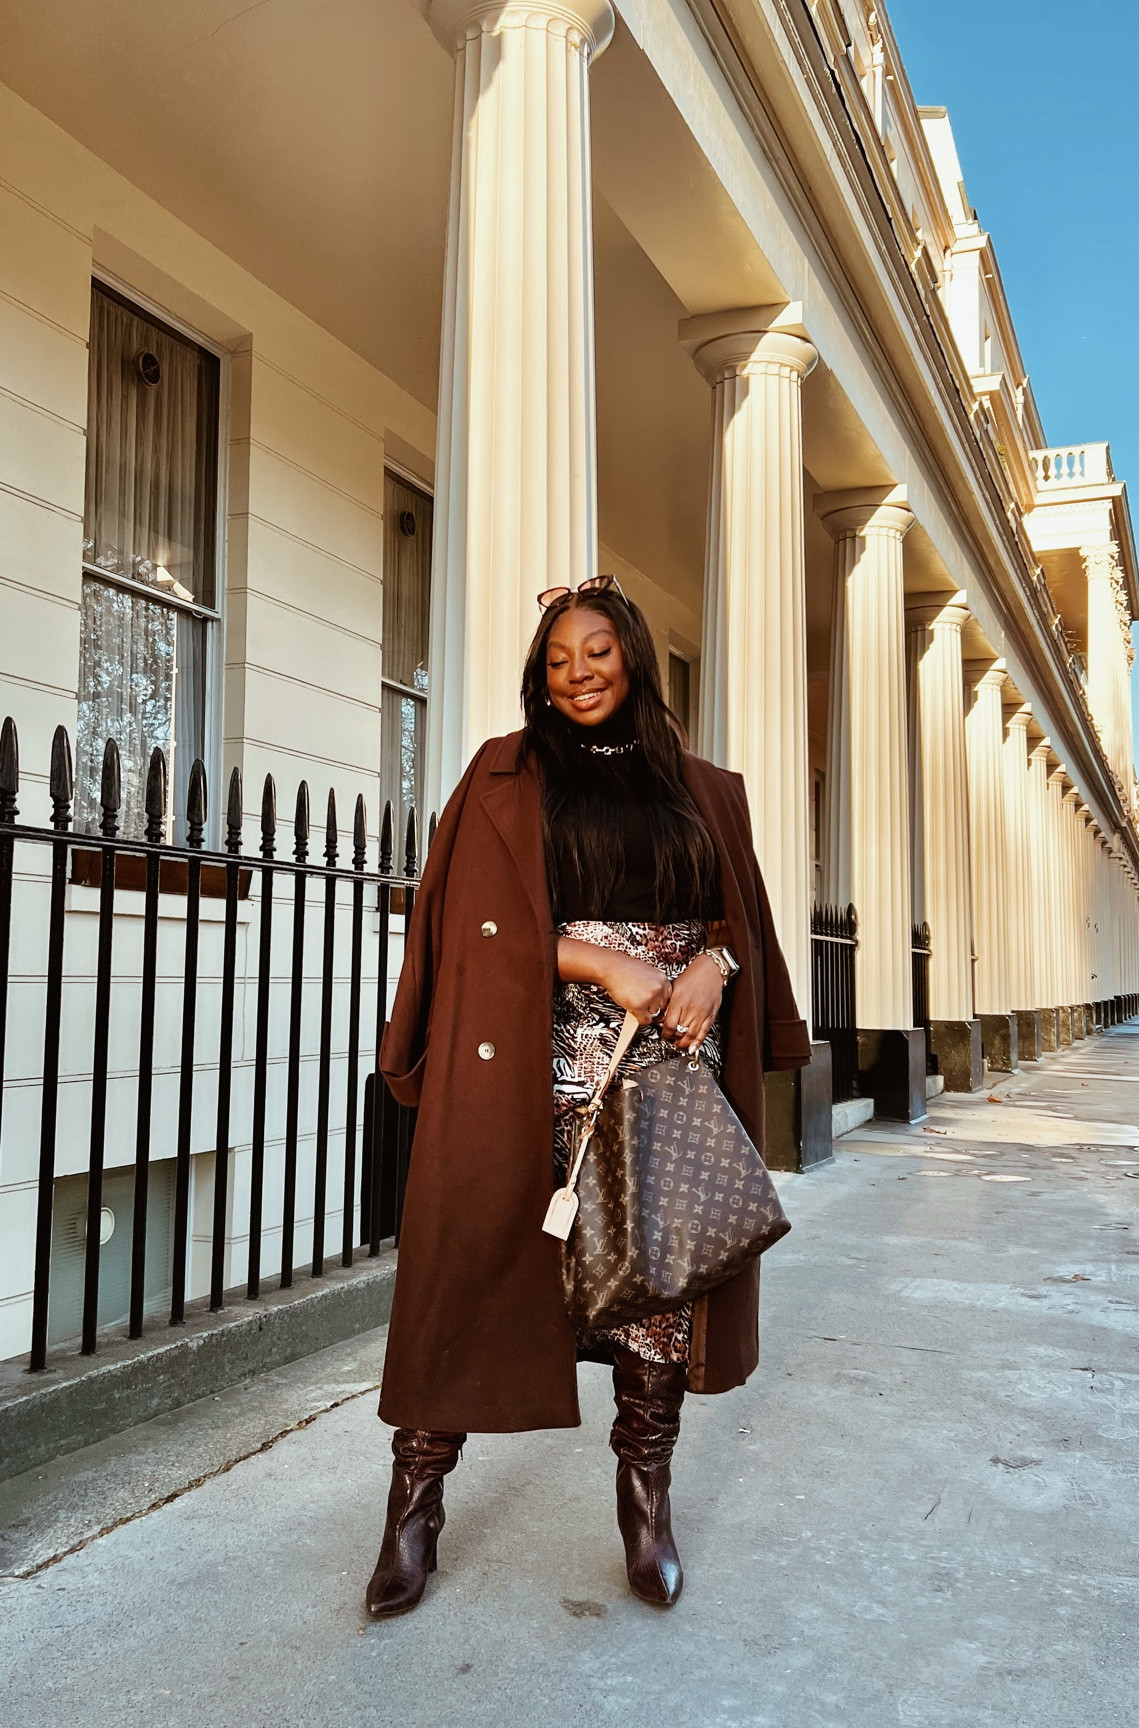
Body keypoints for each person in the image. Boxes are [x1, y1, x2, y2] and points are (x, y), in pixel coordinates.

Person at [366, 575, 810, 1617]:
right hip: (523, 1078)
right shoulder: (501, 777)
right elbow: (460, 923)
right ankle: (414, 1506)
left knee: (659, 1291)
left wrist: (713, 967)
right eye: (558, 658)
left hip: (660, 1084)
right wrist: (594, 962)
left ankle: (645, 1502)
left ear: (635, 658)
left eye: (597, 652)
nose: (577, 672)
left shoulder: (705, 789)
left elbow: (736, 919)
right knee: (471, 1283)